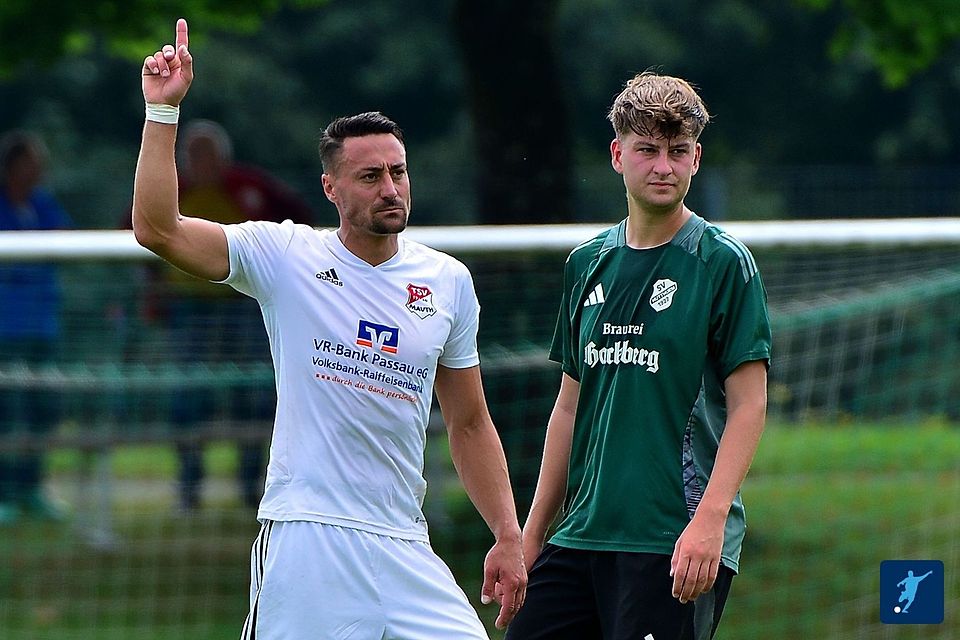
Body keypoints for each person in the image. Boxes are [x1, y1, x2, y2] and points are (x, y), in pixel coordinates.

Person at [134, 19, 526, 637]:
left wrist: (507, 532)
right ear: (331, 187)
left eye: (398, 172)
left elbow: (469, 421)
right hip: (306, 535)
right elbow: (158, 229)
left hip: (403, 539)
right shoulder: (285, 257)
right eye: (370, 177)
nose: (390, 188)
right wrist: (162, 115)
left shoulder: (447, 281)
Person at [505, 71, 772, 640]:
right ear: (616, 154)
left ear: (696, 158)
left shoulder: (722, 262)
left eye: (678, 152)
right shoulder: (586, 263)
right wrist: (531, 537)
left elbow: (750, 406)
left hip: (674, 539)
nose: (663, 167)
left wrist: (709, 523)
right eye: (647, 150)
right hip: (579, 537)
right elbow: (569, 409)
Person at [146, 118, 314, 511]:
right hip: (188, 313)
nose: (200, 161)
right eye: (193, 154)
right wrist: (153, 294)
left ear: (224, 158)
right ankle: (188, 489)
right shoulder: (174, 190)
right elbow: (140, 231)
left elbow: (300, 223)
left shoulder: (253, 187)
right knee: (188, 399)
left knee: (253, 396)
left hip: (245, 307)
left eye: (208, 153)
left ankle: (252, 487)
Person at [0, 130, 72, 525]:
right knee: (9, 413)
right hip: (6, 331)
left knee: (43, 410)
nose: (37, 170)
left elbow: (63, 242)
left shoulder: (43, 205)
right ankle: (6, 493)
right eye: (30, 162)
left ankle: (31, 488)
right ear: (12, 166)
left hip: (44, 328)